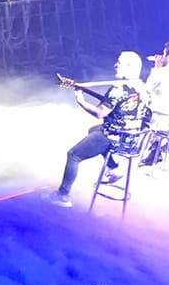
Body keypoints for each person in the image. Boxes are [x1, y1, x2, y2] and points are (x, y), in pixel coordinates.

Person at [51, 51, 148, 206]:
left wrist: (80, 100)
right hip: (131, 139)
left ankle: (62, 195)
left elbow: (99, 113)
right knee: (93, 130)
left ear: (130, 66)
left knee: (73, 155)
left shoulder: (119, 89)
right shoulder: (143, 88)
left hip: (113, 137)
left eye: (119, 62)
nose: (115, 65)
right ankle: (112, 167)